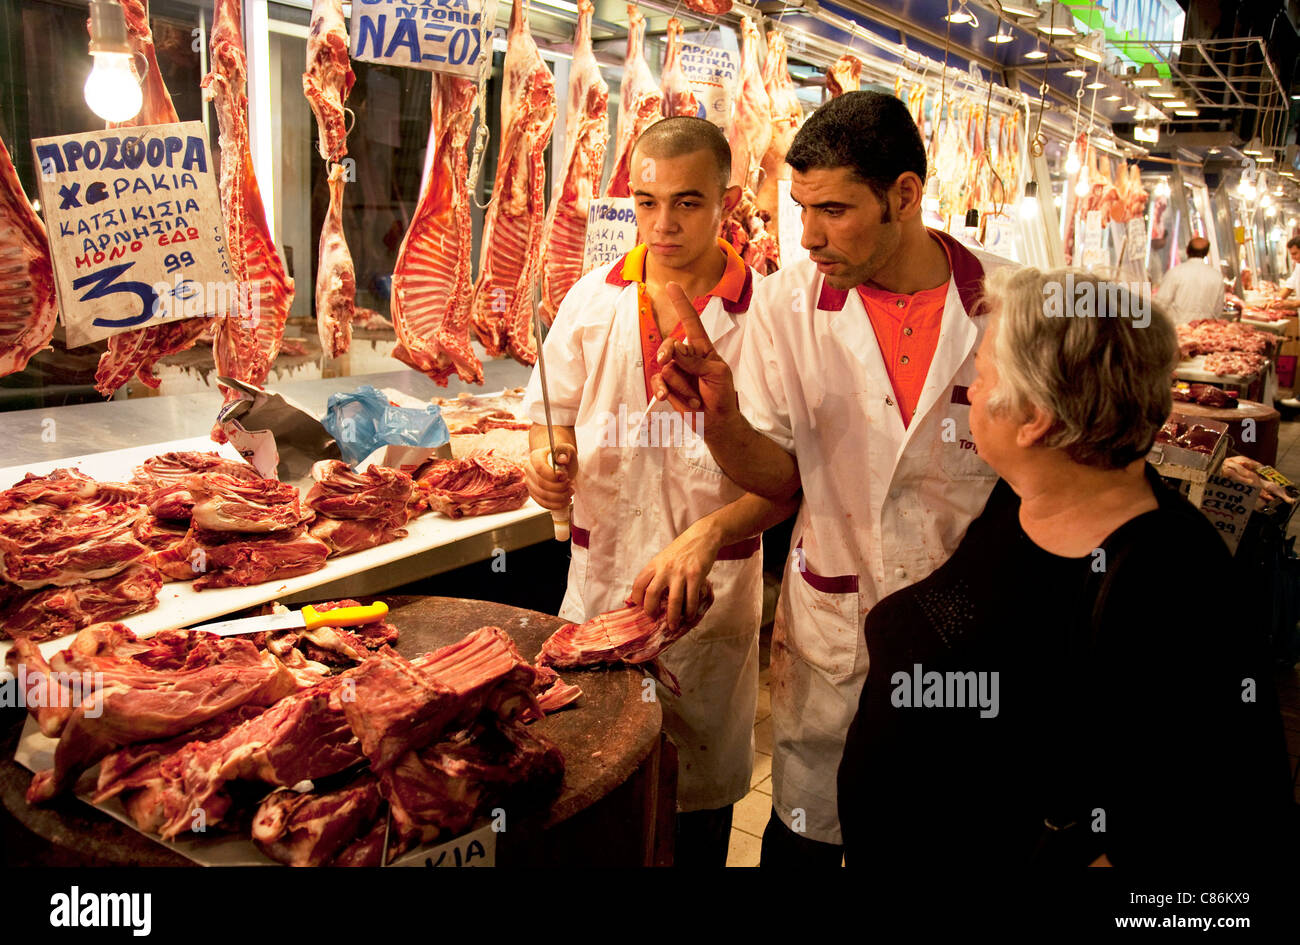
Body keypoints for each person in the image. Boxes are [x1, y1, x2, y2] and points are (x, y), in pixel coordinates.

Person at [644, 91, 1008, 865]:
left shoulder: (1009, 302)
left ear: (905, 195)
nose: (807, 236)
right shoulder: (787, 305)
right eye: (800, 207)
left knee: (940, 840)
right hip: (838, 626)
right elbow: (780, 477)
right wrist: (721, 418)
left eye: (834, 210)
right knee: (811, 833)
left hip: (967, 632)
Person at [837, 269, 1296, 866]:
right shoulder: (1021, 497)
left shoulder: (1171, 583)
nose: (972, 393)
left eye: (982, 375)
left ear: (1037, 420)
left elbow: (1207, 834)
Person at [521, 117, 784, 867]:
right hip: (598, 584)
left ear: (728, 202)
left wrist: (707, 536)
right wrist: (548, 459)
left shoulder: (767, 316)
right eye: (646, 202)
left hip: (708, 599)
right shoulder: (589, 301)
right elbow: (548, 420)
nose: (662, 224)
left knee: (695, 812)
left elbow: (792, 474)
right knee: (595, 794)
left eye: (688, 203)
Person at [1154, 236, 1223, 324]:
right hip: (1205, 329)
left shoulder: (1175, 272)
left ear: (1187, 251)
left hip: (1179, 328)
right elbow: (1218, 310)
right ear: (1206, 253)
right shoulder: (1217, 276)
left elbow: (1161, 303)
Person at [1274, 236, 1300, 301]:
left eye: (1295, 254)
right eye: (1291, 254)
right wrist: (1277, 300)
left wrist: (1292, 304)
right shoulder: (1298, 266)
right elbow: (1290, 286)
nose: (1292, 257)